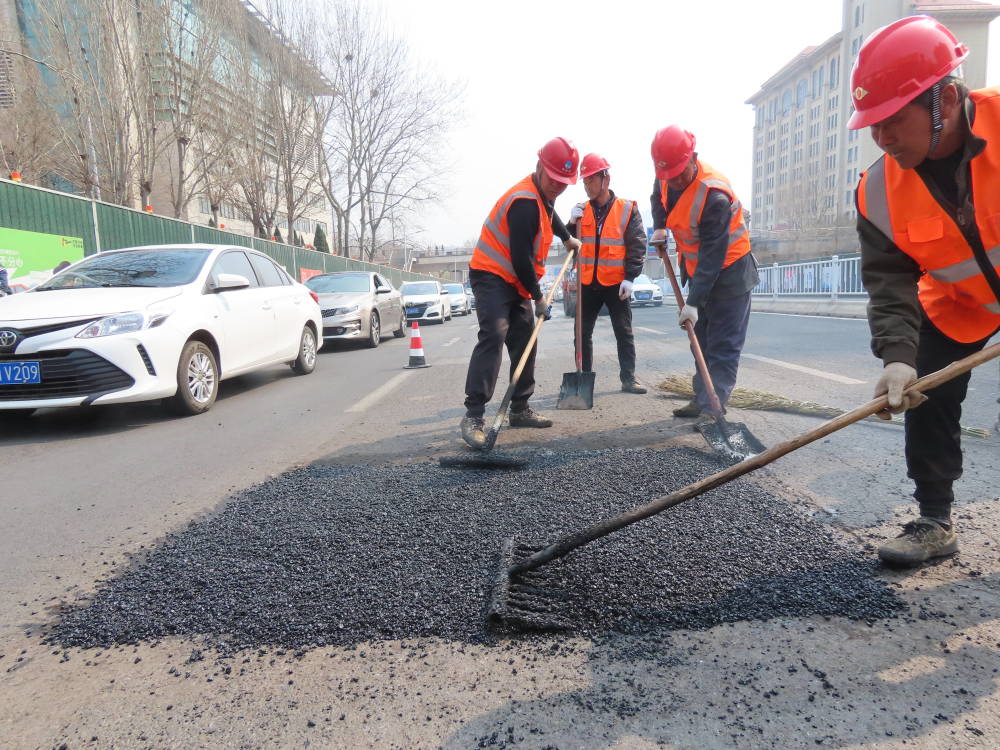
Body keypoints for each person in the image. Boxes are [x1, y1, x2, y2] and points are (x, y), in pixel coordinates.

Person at [850, 16, 1000, 567]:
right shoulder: (877, 190)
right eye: (873, 125)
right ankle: (935, 519)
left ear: (949, 99)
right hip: (960, 302)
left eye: (893, 119)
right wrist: (896, 358)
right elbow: (889, 281)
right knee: (928, 393)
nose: (882, 138)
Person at [459, 137, 583, 449]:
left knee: (526, 336)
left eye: (563, 182)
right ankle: (474, 416)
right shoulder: (525, 202)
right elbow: (521, 259)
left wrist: (567, 237)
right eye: (553, 179)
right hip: (491, 274)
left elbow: (550, 213)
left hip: (513, 280)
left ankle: (519, 407)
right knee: (494, 334)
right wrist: (539, 298)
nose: (557, 186)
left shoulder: (541, 196)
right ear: (541, 167)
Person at [649, 126, 759, 418]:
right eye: (667, 175)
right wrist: (660, 226)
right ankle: (702, 397)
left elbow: (713, 254)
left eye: (679, 173)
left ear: (693, 157)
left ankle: (714, 406)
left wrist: (693, 303)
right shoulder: (666, 174)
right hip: (698, 270)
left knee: (723, 345)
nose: (673, 181)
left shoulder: (714, 195)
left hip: (730, 272)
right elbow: (656, 198)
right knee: (701, 340)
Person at [567, 153, 648, 394]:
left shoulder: (627, 209)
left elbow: (637, 244)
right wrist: (570, 223)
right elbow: (570, 243)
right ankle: (584, 379)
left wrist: (631, 277)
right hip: (587, 282)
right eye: (584, 181)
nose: (587, 185)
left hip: (616, 284)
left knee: (624, 332)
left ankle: (629, 378)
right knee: (581, 334)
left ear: (606, 178)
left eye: (591, 179)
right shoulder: (581, 211)